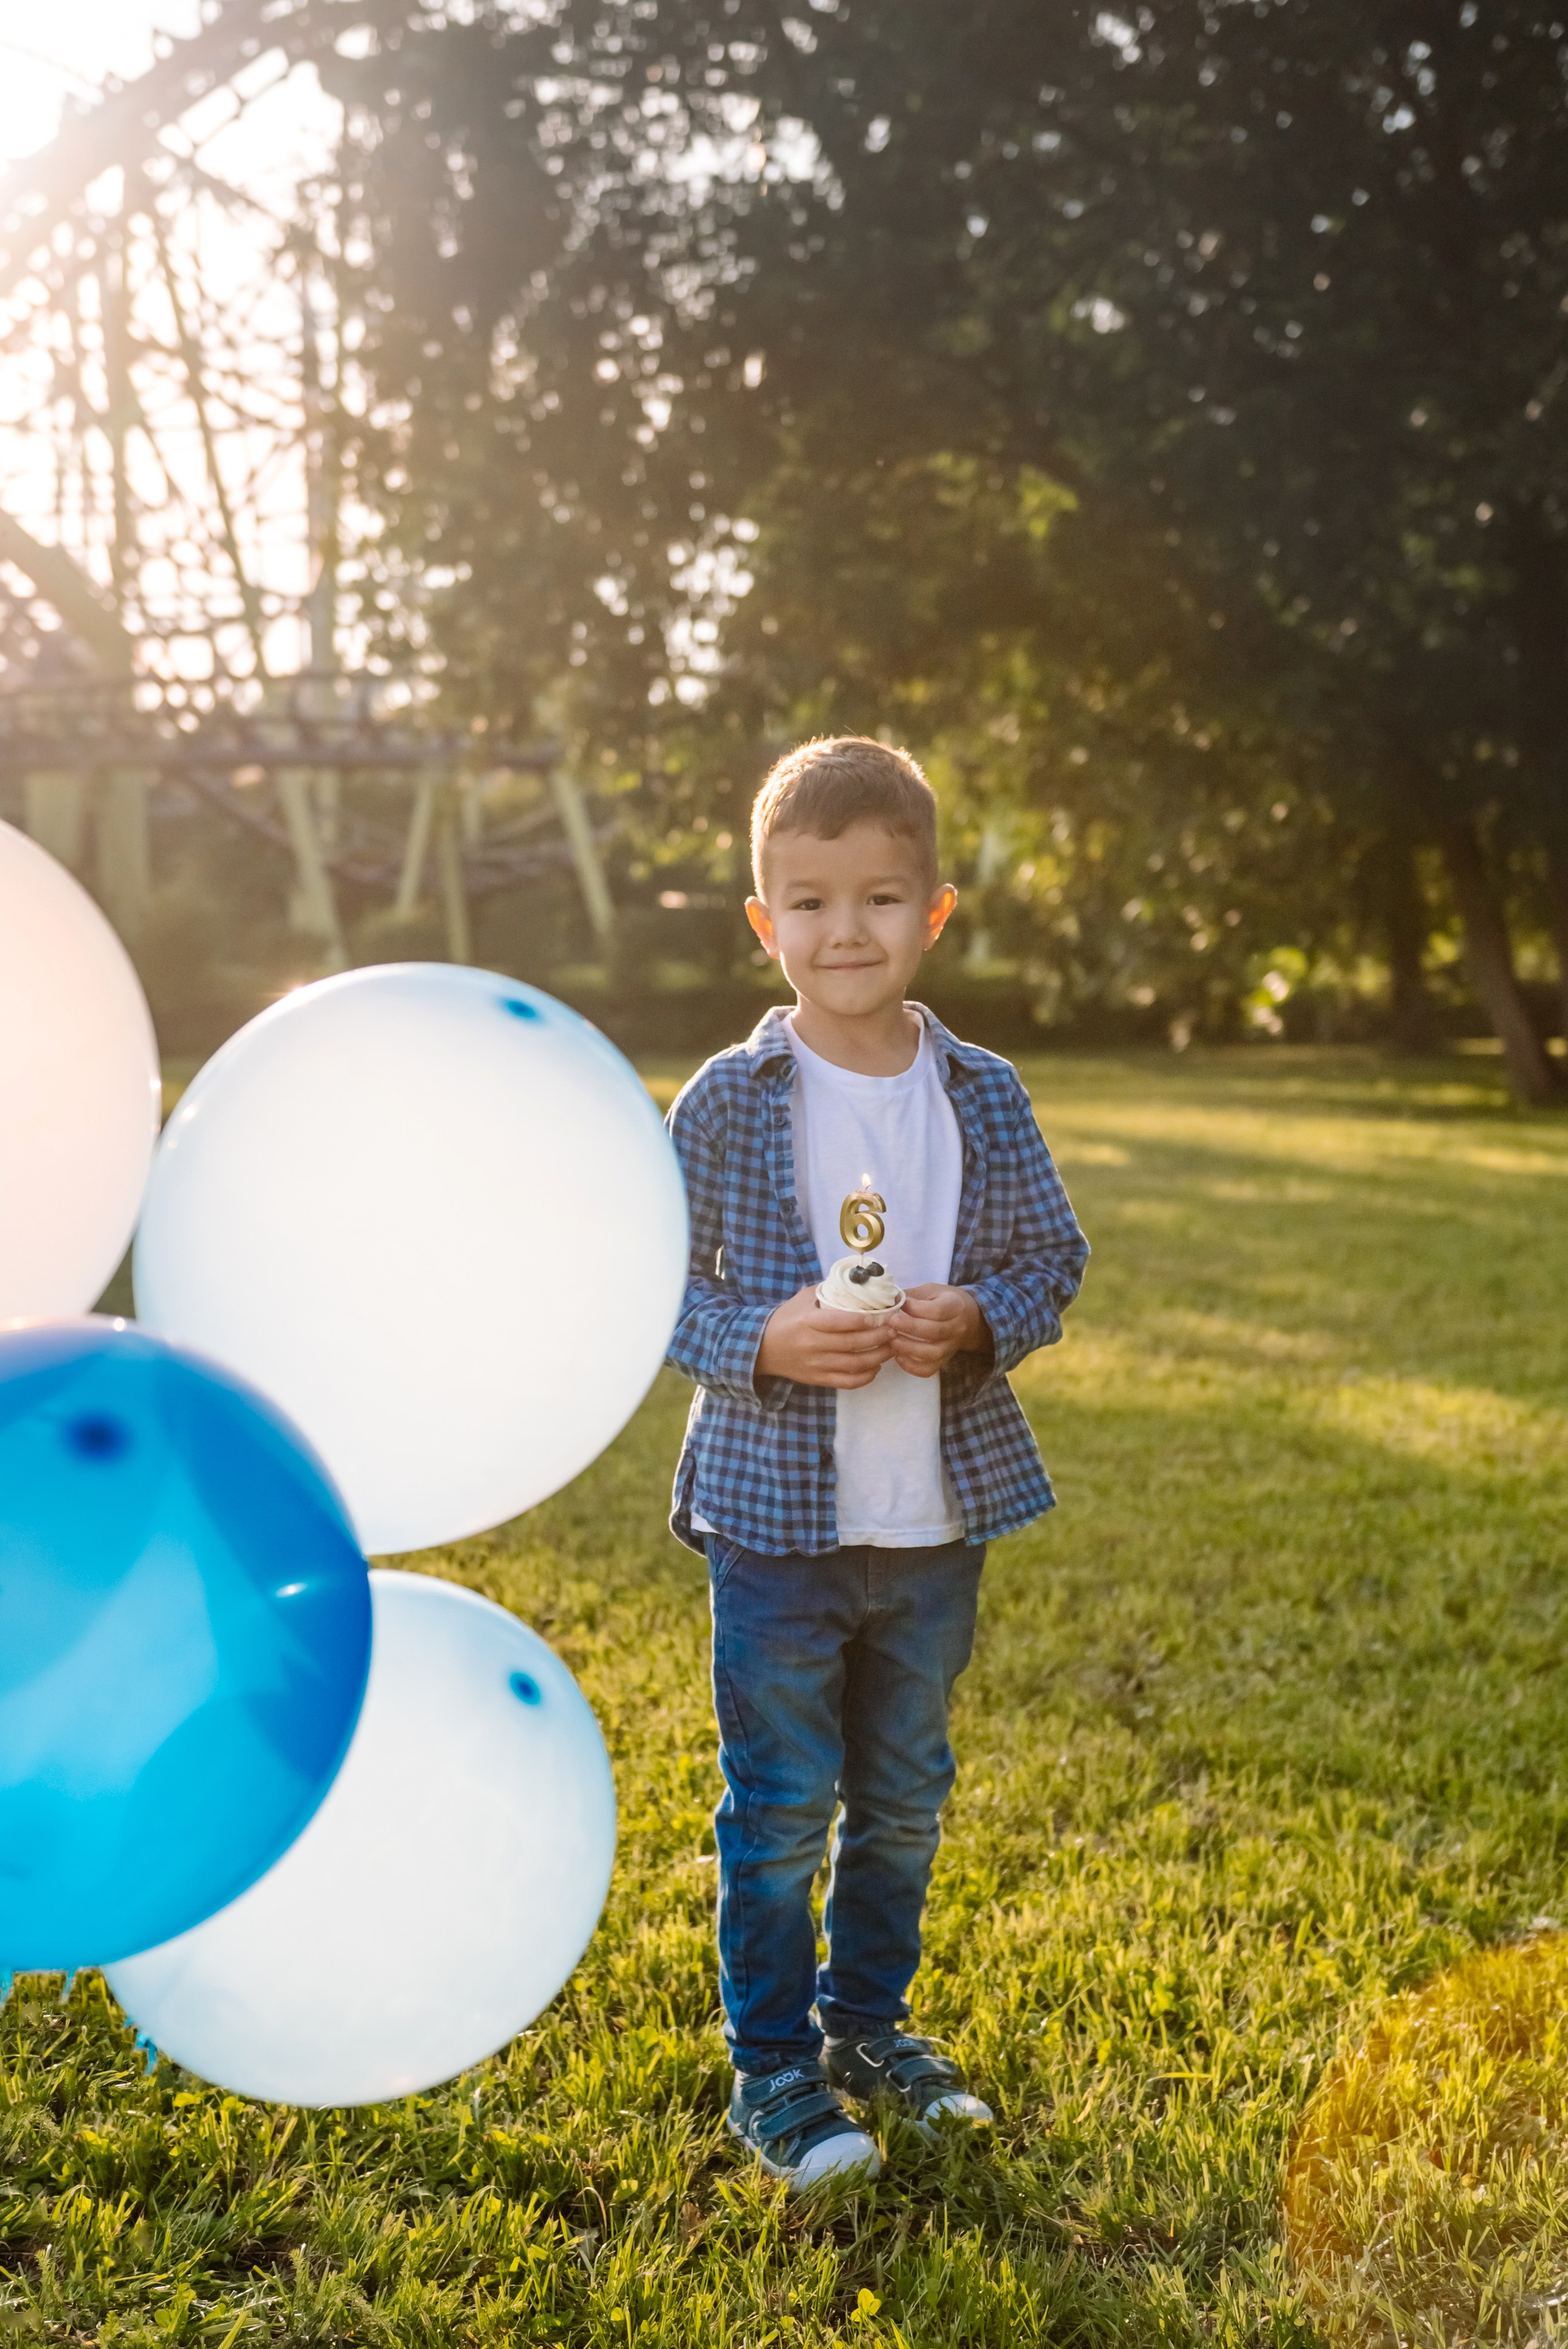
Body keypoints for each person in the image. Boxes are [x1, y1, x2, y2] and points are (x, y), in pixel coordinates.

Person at [665, 736, 1088, 2190]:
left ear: (935, 914)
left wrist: (978, 1320)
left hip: (931, 1519)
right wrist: (764, 1339)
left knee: (901, 1791)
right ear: (760, 921)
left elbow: (1050, 1258)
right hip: (774, 1522)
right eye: (809, 901)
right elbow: (658, 1289)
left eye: (879, 900)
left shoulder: (980, 1090)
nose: (844, 932)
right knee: (778, 1803)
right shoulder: (727, 1100)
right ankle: (772, 2065)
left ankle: (869, 2024)